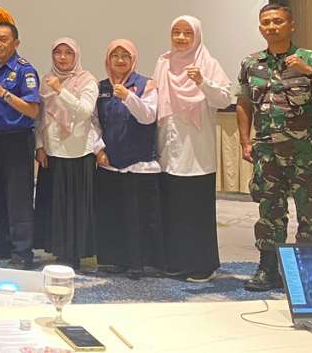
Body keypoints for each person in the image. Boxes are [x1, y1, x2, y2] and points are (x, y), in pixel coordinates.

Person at [239, 3, 312, 291]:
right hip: (267, 153)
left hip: (304, 154)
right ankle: (268, 269)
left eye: (277, 21)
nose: (271, 27)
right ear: (260, 28)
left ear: (291, 25)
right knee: (269, 212)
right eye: (266, 23)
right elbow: (244, 103)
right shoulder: (251, 63)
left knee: (309, 214)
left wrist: (309, 72)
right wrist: (245, 141)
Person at [153, 15, 233, 282]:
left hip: (197, 151)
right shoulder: (163, 62)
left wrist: (202, 81)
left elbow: (224, 99)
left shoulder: (208, 64)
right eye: (176, 32)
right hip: (168, 147)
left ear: (197, 35)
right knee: (171, 209)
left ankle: (202, 265)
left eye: (187, 33)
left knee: (196, 211)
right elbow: (155, 98)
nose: (181, 38)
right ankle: (174, 261)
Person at [92, 39, 163, 280]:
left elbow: (148, 116)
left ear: (133, 60)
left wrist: (128, 97)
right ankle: (114, 260)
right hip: (110, 163)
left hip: (139, 164)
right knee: (113, 214)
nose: (120, 60)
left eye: (126, 56)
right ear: (108, 59)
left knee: (138, 216)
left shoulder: (146, 85)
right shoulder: (101, 87)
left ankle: (139, 262)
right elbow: (94, 122)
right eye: (115, 56)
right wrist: (99, 149)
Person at [33, 38, 99, 270]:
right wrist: (39, 146)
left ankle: (75, 253)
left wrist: (60, 90)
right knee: (55, 204)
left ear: (76, 55)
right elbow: (40, 117)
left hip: (79, 151)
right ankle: (57, 249)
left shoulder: (87, 80)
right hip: (52, 151)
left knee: (75, 206)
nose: (62, 57)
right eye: (57, 52)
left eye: (68, 53)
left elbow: (84, 111)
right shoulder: (46, 80)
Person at [0, 22, 42, 268]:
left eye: (3, 39)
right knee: (0, 196)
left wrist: (5, 93)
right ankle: (4, 243)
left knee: (19, 199)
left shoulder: (25, 71)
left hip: (17, 139)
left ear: (15, 43)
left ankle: (23, 252)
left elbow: (33, 110)